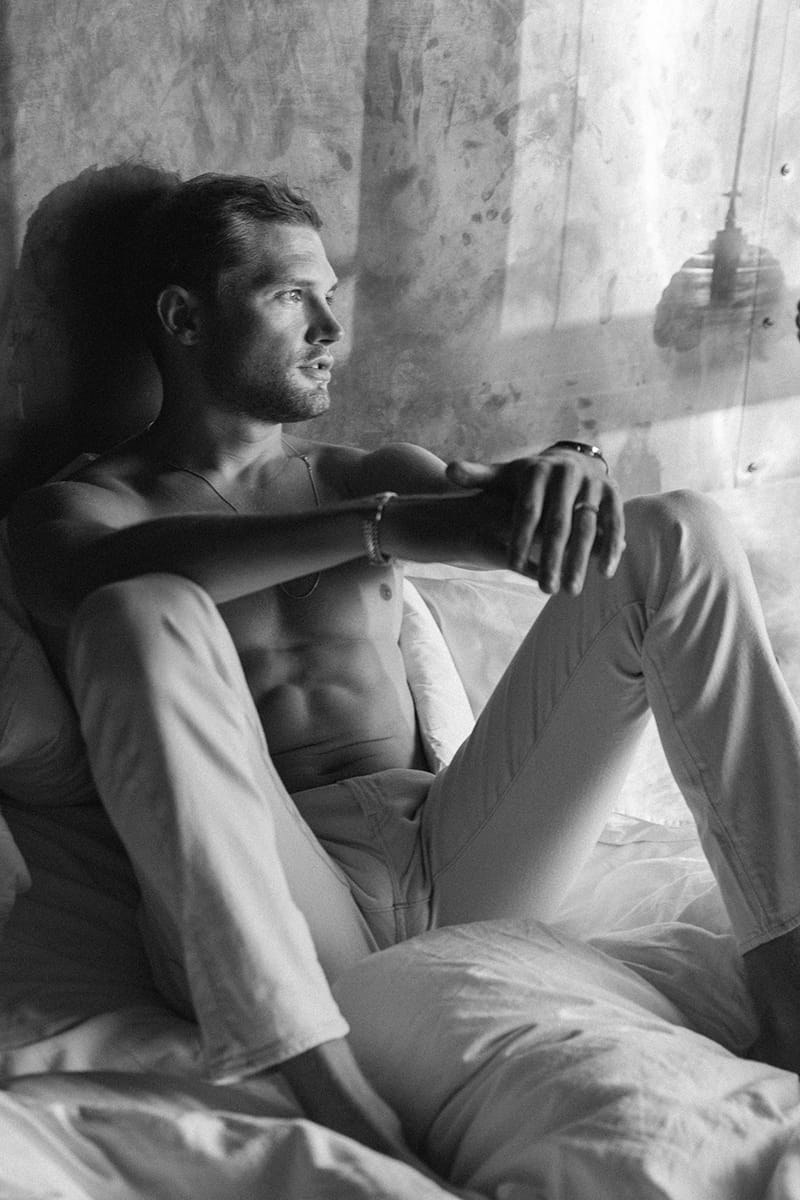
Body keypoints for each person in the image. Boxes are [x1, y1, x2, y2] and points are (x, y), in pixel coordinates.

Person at [7, 172, 800, 1186]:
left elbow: (513, 499)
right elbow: (100, 582)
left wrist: (572, 463)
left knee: (676, 530)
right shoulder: (80, 508)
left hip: (454, 854)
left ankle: (790, 993)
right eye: (289, 295)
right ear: (184, 318)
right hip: (283, 903)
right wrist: (385, 529)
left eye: (329, 293)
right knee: (139, 612)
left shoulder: (354, 471)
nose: (330, 326)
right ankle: (325, 1084)